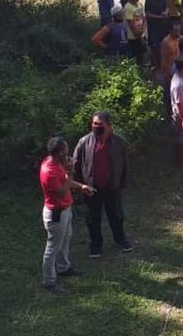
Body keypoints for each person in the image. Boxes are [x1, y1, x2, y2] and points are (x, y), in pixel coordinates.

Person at [72, 111, 132, 258]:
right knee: (92, 219)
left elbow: (125, 164)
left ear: (109, 126)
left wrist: (121, 183)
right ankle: (95, 245)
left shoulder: (119, 142)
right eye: (94, 124)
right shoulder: (84, 142)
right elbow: (76, 164)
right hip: (91, 188)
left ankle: (120, 240)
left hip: (112, 186)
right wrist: (80, 186)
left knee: (116, 216)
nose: (96, 127)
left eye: (100, 124)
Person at [39, 136, 94, 293]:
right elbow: (63, 191)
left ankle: (63, 267)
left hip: (65, 210)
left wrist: (81, 186)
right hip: (56, 214)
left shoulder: (57, 163)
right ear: (59, 153)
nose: (68, 151)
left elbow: (65, 181)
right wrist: (71, 172)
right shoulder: (48, 171)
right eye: (65, 149)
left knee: (66, 238)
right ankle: (49, 281)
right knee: (53, 246)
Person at [145, 0, 169, 68]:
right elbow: (147, 14)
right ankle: (155, 65)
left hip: (163, 26)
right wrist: (159, 17)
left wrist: (166, 12)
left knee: (163, 44)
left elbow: (167, 7)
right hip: (154, 27)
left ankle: (163, 63)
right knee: (155, 47)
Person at [122, 0, 147, 64]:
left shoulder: (140, 5)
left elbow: (144, 19)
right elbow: (131, 24)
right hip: (133, 38)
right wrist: (138, 34)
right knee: (135, 58)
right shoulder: (128, 8)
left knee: (142, 57)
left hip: (142, 34)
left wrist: (142, 30)